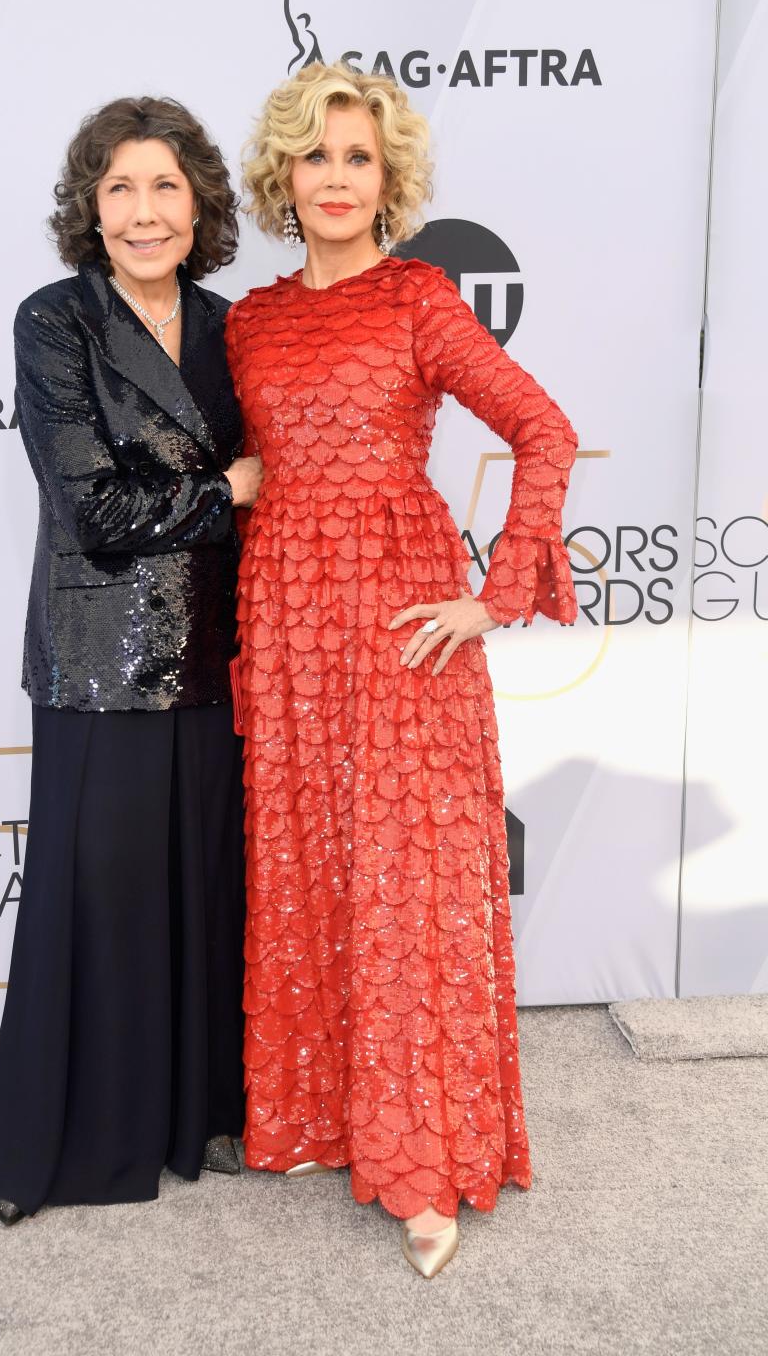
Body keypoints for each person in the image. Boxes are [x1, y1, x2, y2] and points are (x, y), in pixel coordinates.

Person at [226, 62, 578, 1277]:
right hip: (283, 620)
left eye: (358, 158)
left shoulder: (419, 298)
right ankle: (325, 1115)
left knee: (405, 874)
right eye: (316, 156)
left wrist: (498, 592)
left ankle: (424, 1160)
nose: (335, 177)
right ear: (284, 172)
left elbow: (545, 427)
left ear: (389, 177)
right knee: (311, 859)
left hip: (396, 618)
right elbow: (262, 463)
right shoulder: (250, 320)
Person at [0, 97, 262, 1223]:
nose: (145, 212)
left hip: (224, 657)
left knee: (199, 896)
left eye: (167, 187)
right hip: (100, 654)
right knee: (89, 904)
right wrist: (227, 491)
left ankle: (196, 1120)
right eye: (121, 188)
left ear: (201, 204)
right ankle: (53, 1147)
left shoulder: (238, 325)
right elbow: (91, 508)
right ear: (92, 206)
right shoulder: (56, 322)